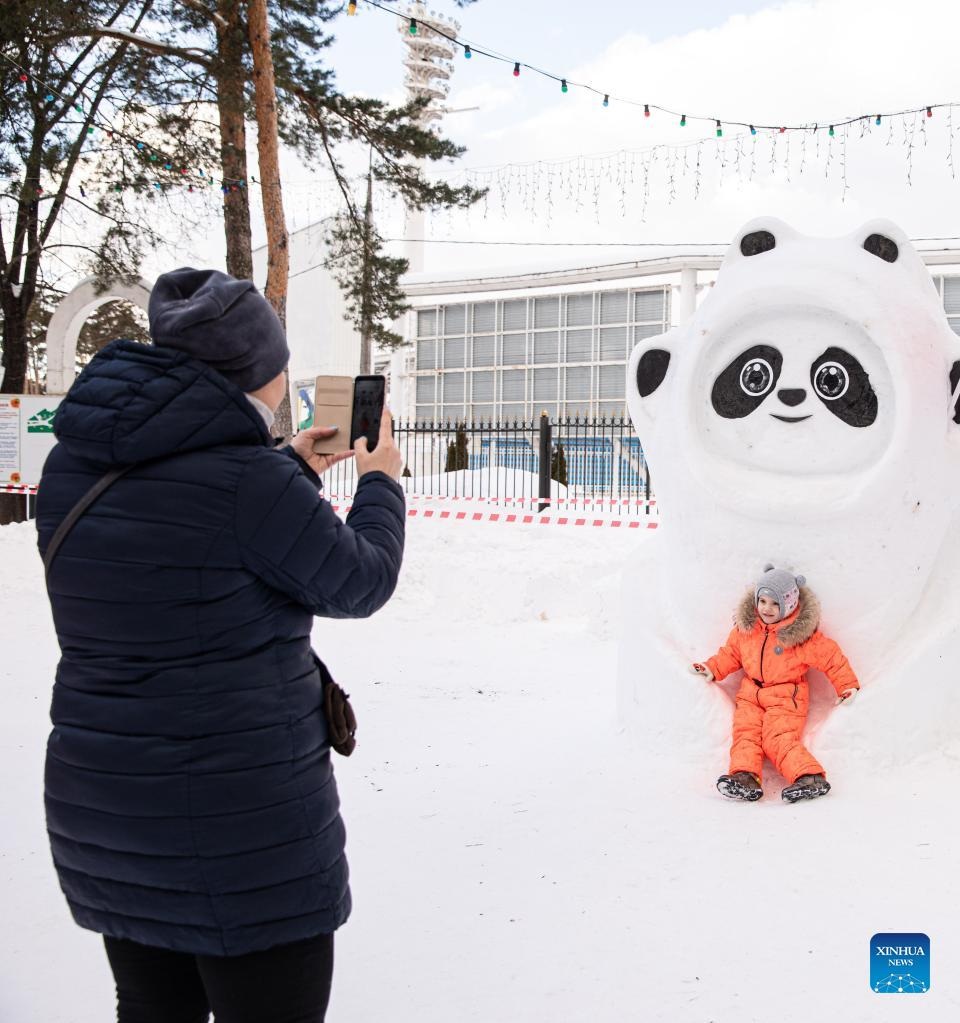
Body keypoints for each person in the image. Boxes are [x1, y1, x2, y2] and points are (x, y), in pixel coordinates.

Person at [35, 268, 406, 1023]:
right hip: (243, 835)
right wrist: (380, 483)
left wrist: (289, 469)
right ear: (259, 374)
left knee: (150, 1007)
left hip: (110, 814)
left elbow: (179, 543)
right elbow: (360, 582)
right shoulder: (246, 486)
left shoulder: (73, 467)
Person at [689, 565, 860, 804]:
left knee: (777, 737)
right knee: (745, 735)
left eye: (775, 604)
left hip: (786, 696)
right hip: (750, 695)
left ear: (789, 605)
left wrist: (847, 684)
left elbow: (831, 658)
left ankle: (809, 777)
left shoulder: (799, 636)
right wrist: (712, 668)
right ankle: (745, 778)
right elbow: (730, 654)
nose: (767, 609)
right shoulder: (746, 630)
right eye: (763, 601)